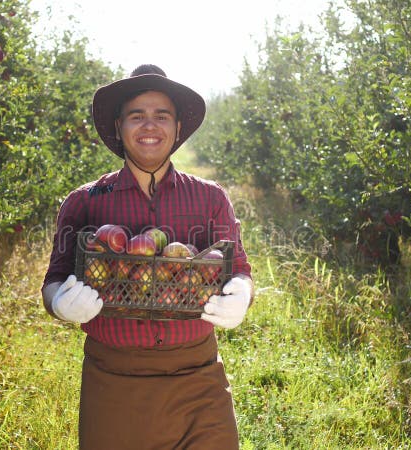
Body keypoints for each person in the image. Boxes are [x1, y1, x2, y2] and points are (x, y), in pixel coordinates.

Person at [41, 64, 254, 450]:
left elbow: (237, 267)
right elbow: (53, 278)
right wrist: (59, 302)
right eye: (137, 116)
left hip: (198, 378)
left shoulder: (209, 198)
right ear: (119, 127)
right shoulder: (85, 202)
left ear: (176, 130)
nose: (150, 126)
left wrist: (241, 292)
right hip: (114, 381)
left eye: (162, 116)